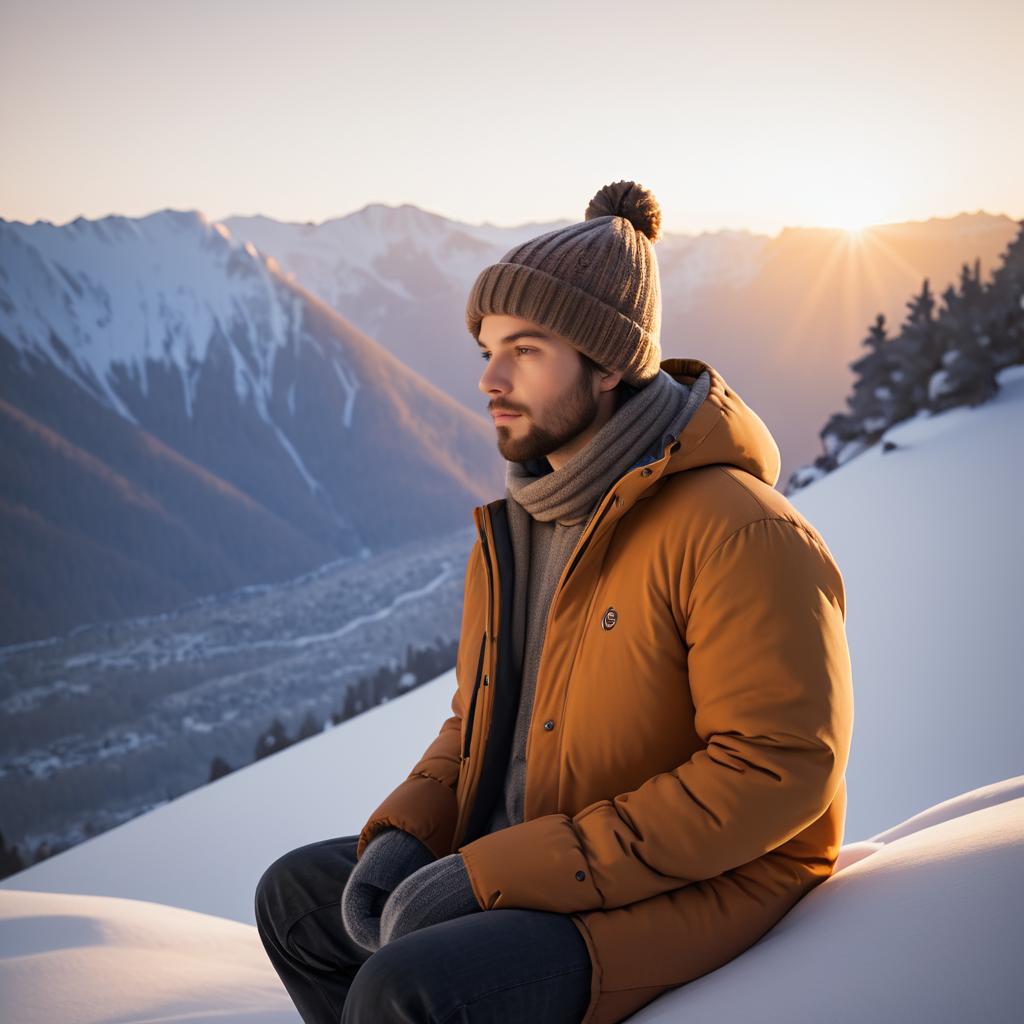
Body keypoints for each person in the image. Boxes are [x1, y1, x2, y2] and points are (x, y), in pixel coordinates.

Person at [255, 180, 855, 1024]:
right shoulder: (517, 527)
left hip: (706, 877)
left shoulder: (738, 530)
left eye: (526, 350)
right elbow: (479, 722)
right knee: (297, 902)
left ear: (610, 364)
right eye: (487, 348)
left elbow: (775, 769)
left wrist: (495, 874)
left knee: (408, 990)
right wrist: (410, 835)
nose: (490, 379)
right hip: (543, 840)